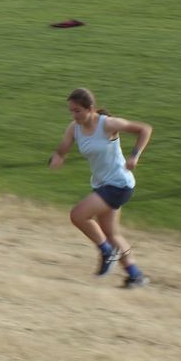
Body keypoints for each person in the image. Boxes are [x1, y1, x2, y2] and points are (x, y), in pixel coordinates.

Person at [49, 88, 152, 288]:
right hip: (103, 184)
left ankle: (106, 252)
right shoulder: (74, 128)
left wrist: (135, 156)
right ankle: (135, 275)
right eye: (71, 111)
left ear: (91, 109)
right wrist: (57, 158)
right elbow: (62, 150)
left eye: (78, 110)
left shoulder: (107, 124)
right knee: (112, 233)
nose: (74, 115)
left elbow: (144, 129)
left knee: (78, 215)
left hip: (119, 183)